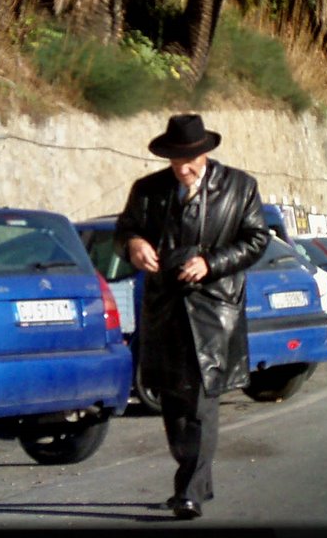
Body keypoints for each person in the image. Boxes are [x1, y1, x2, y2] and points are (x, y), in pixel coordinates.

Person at [114, 112, 269, 520]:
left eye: (190, 160)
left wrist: (211, 263)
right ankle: (196, 478)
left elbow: (256, 239)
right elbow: (123, 231)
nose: (182, 169)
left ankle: (189, 491)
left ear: (205, 153)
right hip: (164, 311)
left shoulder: (240, 186)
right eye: (174, 160)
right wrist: (132, 244)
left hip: (214, 311)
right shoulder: (147, 191)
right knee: (173, 404)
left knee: (201, 403)